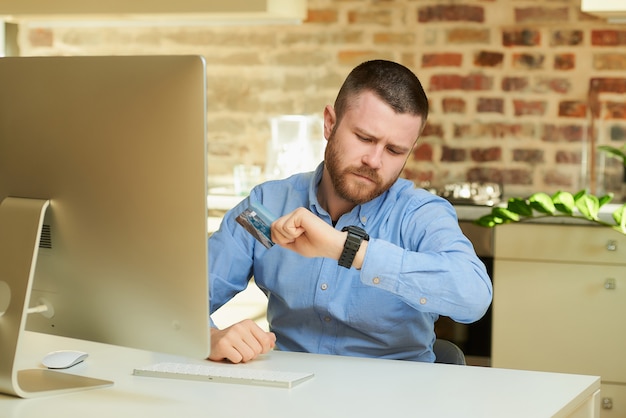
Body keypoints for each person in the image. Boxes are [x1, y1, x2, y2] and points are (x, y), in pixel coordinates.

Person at [208, 59, 492, 364]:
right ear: (330, 123)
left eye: (394, 150)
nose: (374, 160)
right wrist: (208, 337)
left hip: (395, 400)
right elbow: (179, 300)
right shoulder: (266, 208)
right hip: (291, 396)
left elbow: (473, 297)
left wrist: (345, 249)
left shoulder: (420, 215)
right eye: (365, 138)